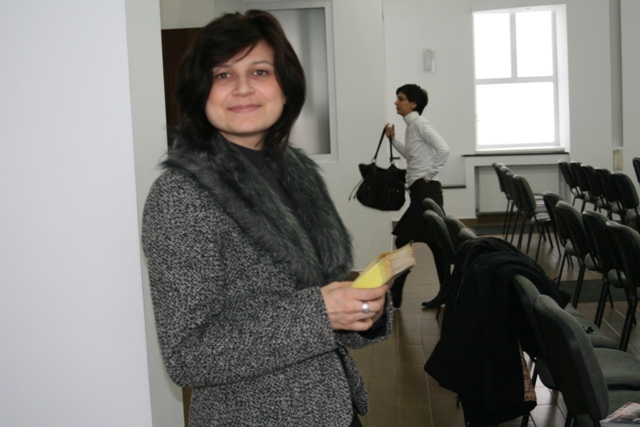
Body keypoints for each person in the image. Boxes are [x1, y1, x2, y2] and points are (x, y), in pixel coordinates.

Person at [141, 10, 392, 427]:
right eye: (223, 74)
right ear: (201, 92)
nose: (242, 88)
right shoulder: (181, 194)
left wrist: (361, 308)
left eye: (260, 71)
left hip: (332, 406)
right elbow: (188, 355)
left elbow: (315, 294)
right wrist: (321, 312)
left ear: (285, 88)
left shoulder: (295, 170)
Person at [384, 84, 450, 309]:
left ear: (413, 104)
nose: (396, 103)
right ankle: (447, 293)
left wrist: (428, 176)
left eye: (401, 99)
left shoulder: (420, 124)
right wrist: (393, 141)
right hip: (421, 191)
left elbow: (443, 149)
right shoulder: (411, 126)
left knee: (403, 239)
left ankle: (396, 292)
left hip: (426, 192)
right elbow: (411, 156)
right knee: (436, 244)